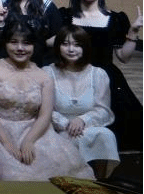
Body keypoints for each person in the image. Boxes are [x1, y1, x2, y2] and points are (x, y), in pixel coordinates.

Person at [0, 20, 92, 180]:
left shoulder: (44, 76)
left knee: (54, 174)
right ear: (5, 43)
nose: (20, 48)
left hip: (35, 132)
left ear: (34, 45)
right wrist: (5, 143)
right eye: (14, 42)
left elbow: (45, 115)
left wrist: (29, 141)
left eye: (26, 43)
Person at [60, 0, 142, 151]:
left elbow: (123, 57)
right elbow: (54, 43)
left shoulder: (116, 18)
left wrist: (133, 32)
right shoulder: (65, 15)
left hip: (105, 77)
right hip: (72, 75)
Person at [47, 26, 119, 179]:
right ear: (58, 46)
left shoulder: (98, 74)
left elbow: (103, 110)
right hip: (57, 127)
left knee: (105, 135)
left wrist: (82, 120)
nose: (71, 49)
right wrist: (66, 123)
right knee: (64, 139)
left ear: (85, 47)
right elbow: (44, 109)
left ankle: (100, 181)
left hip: (88, 125)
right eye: (65, 44)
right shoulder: (48, 72)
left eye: (77, 45)